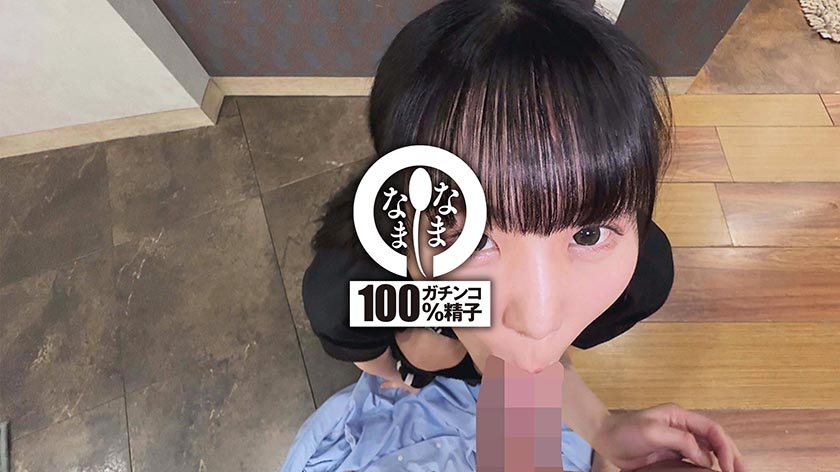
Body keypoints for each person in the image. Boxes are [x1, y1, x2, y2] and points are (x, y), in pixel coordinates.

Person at [296, 1, 748, 471]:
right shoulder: (352, 289)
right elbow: (376, 356)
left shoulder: (639, 279)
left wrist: (602, 429)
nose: (539, 317)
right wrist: (402, 372)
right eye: (473, 239)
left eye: (587, 234)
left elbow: (534, 366)